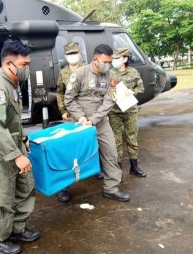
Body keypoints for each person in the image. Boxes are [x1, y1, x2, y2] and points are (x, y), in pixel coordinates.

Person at [0, 39, 40, 254]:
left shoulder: (12, 84)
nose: (27, 69)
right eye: (24, 65)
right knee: (1, 194)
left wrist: (22, 139)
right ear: (8, 65)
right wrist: (16, 156)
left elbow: (12, 120)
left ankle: (16, 229)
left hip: (12, 144)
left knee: (25, 186)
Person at [64, 44, 131, 202]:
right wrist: (81, 117)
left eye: (109, 62)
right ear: (95, 60)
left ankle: (111, 188)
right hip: (79, 123)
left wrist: (93, 120)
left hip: (100, 122)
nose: (107, 65)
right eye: (104, 62)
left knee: (111, 153)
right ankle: (63, 188)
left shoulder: (111, 76)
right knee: (73, 156)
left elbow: (110, 101)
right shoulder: (79, 74)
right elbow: (69, 99)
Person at [55, 42, 86, 202]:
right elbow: (60, 93)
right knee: (71, 149)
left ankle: (95, 170)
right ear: (65, 56)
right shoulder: (64, 73)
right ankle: (64, 187)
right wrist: (63, 111)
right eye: (70, 54)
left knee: (92, 144)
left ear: (79, 53)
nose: (73, 56)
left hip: (89, 115)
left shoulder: (87, 69)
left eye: (75, 53)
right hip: (73, 115)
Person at [108, 48, 146, 177]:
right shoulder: (109, 73)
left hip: (130, 110)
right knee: (116, 140)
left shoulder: (133, 72)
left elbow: (141, 87)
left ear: (125, 59)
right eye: (113, 58)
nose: (114, 61)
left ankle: (134, 167)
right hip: (114, 111)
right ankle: (118, 168)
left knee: (132, 138)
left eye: (117, 58)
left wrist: (132, 92)